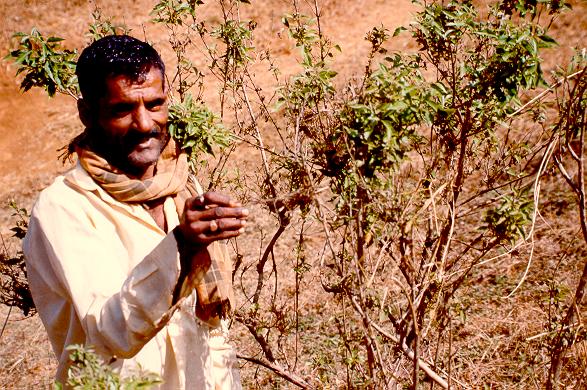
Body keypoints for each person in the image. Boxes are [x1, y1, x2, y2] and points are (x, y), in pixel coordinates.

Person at [22, 34, 248, 389]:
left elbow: (208, 330)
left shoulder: (180, 184)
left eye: (155, 104)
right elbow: (114, 332)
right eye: (122, 109)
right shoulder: (63, 208)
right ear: (87, 113)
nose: (144, 124)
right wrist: (183, 247)